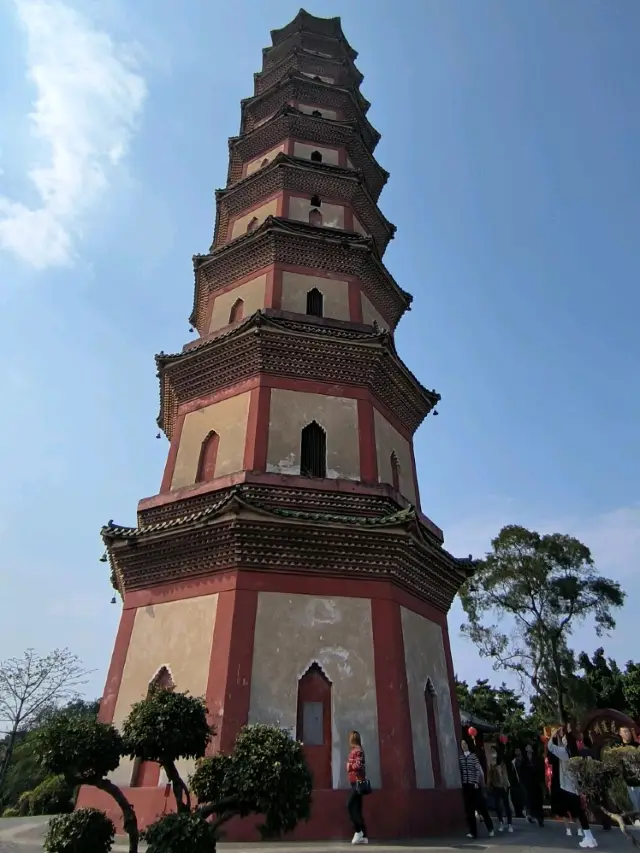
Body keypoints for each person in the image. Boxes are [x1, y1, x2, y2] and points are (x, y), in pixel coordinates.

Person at [547, 727, 597, 848]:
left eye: (564, 738)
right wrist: (560, 737)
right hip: (576, 787)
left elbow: (550, 747)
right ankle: (588, 836)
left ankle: (589, 838)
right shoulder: (574, 752)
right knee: (580, 812)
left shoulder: (564, 753)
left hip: (568, 787)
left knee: (579, 813)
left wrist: (553, 735)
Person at [459, 739, 494, 839]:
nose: (464, 746)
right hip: (466, 785)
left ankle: (490, 828)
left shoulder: (473, 756)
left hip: (474, 785)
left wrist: (476, 782)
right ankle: (473, 831)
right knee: (469, 810)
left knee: (481, 807)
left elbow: (477, 769)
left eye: (465, 744)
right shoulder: (461, 758)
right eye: (462, 744)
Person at [346, 730, 368, 845]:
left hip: (357, 783)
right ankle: (364, 835)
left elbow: (358, 766)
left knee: (350, 806)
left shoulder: (358, 751)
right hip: (355, 783)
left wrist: (349, 765)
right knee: (358, 809)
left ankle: (358, 831)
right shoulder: (356, 751)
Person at [615, 726, 640, 825]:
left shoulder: (636, 746)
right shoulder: (619, 748)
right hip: (629, 779)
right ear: (620, 734)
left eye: (628, 731)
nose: (627, 733)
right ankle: (637, 818)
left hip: (638, 775)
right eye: (624, 732)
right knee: (634, 800)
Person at [488, 750, 513, 832]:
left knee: (506, 805)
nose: (493, 755)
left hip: (504, 787)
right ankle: (501, 822)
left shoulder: (502, 764)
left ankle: (510, 824)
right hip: (496, 787)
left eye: (494, 753)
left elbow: (504, 776)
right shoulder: (492, 764)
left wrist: (505, 785)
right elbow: (490, 776)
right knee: (497, 805)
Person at [521, 744, 545, 826]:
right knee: (530, 800)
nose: (528, 748)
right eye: (527, 746)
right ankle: (531, 815)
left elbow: (541, 769)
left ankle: (540, 817)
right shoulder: (524, 759)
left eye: (529, 746)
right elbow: (522, 771)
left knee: (538, 800)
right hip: (528, 783)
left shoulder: (538, 759)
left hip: (536, 782)